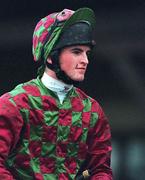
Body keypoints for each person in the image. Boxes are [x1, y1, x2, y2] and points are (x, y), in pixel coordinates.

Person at [0, 7, 113, 179]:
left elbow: (101, 170)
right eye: (76, 52)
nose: (85, 60)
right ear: (51, 56)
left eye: (87, 53)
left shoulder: (92, 111)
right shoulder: (15, 104)